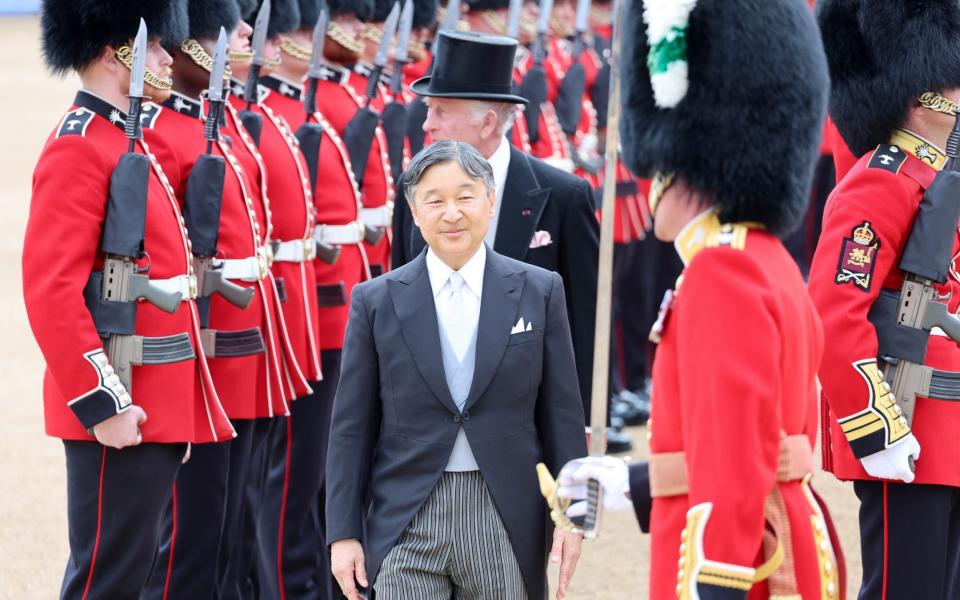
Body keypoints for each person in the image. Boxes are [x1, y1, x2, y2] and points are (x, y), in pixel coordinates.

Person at [555, 0, 844, 598]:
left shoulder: (720, 274)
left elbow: (735, 469)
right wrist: (628, 483)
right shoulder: (765, 261)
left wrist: (719, 583)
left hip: (743, 565)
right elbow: (732, 443)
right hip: (781, 537)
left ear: (684, 168)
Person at [24, 1, 236, 597]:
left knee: (134, 576)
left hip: (151, 405)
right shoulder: (79, 146)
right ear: (121, 52)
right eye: (160, 48)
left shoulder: (123, 139)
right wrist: (104, 404)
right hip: (119, 406)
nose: (170, 59)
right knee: (105, 583)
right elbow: (51, 292)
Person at [327, 140, 587, 600]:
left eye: (465, 196)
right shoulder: (376, 300)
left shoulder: (539, 290)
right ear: (413, 209)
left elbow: (562, 414)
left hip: (505, 513)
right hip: (407, 513)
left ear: (490, 202)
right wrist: (342, 532)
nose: (451, 213)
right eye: (434, 200)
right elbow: (351, 426)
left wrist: (574, 515)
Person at [139, 1, 298, 596]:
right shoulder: (161, 133)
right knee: (190, 544)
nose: (246, 40)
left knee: (235, 535)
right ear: (190, 47)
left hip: (247, 348)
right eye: (225, 32)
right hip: (204, 354)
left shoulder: (221, 124)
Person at [809, 1, 960, 597]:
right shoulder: (881, 180)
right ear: (923, 99)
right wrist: (877, 428)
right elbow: (832, 312)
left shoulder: (939, 180)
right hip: (910, 430)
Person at [392, 30, 600, 428]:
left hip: (527, 425)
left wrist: (582, 426)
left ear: (487, 122)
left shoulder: (563, 196)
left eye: (440, 111)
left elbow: (584, 325)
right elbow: (400, 309)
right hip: (429, 427)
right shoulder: (412, 190)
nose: (426, 123)